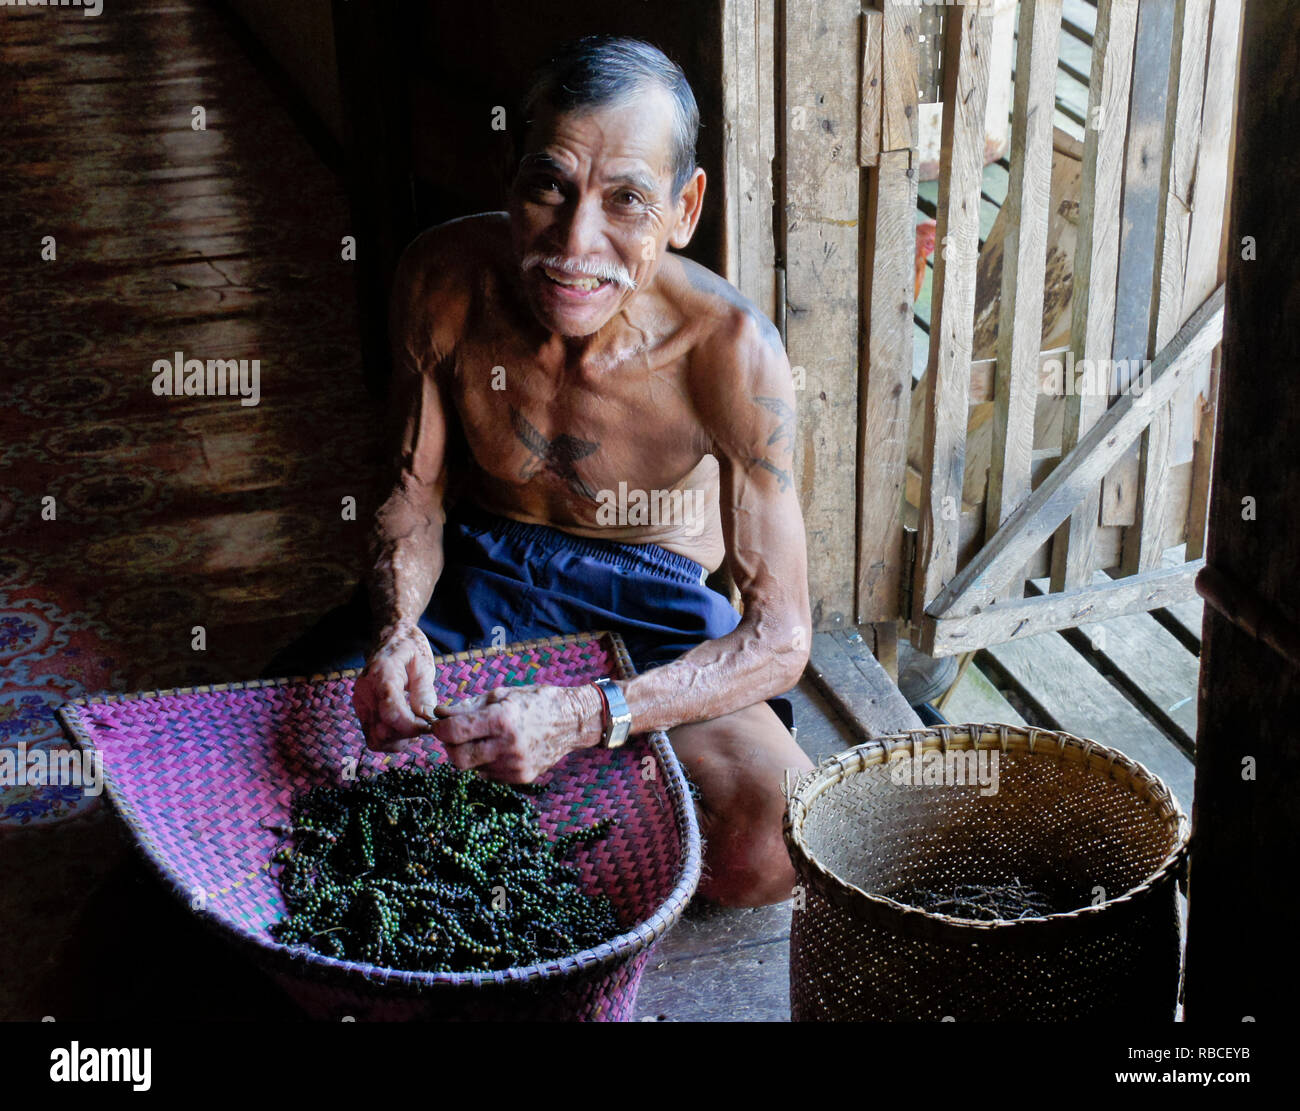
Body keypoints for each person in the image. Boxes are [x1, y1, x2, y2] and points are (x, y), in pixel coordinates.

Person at [269, 35, 813, 907]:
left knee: (770, 837)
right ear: (508, 174)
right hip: (477, 570)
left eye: (627, 200)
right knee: (277, 765)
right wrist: (399, 627)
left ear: (685, 208)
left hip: (653, 604)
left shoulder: (729, 352)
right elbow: (414, 500)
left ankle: (509, 831)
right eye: (549, 186)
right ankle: (519, 835)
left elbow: (782, 636)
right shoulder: (442, 277)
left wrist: (592, 713)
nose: (574, 243)